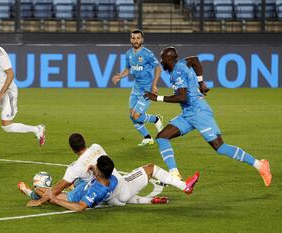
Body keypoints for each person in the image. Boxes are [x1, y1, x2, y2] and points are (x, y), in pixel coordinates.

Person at [144, 46, 272, 186]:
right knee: (162, 136)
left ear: (169, 59)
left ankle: (260, 165)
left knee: (220, 147)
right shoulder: (181, 64)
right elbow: (195, 60)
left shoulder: (178, 72)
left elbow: (182, 97)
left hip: (199, 113)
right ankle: (174, 173)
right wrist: (201, 82)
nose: (161, 62)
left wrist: (157, 98)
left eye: (162, 59)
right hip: (188, 114)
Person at [18, 133, 200, 207]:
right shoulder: (96, 147)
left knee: (59, 192)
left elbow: (58, 188)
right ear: (85, 142)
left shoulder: (76, 168)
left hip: (107, 197)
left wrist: (43, 199)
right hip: (120, 186)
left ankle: (29, 192)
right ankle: (183, 186)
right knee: (151, 168)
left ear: (72, 149)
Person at [0, 30, 45, 160]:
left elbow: (10, 74)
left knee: (7, 127)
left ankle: (37, 129)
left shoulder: (0, 53)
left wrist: (0, 94)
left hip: (8, 92)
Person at [112, 29, 163, 147]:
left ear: (142, 40)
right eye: (133, 38)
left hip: (147, 90)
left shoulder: (147, 54)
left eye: (138, 38)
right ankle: (147, 137)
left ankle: (156, 119)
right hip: (136, 89)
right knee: (132, 116)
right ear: (130, 39)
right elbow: (128, 69)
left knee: (136, 115)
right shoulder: (129, 54)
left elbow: (158, 68)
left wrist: (154, 84)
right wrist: (120, 76)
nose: (135, 40)